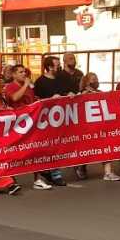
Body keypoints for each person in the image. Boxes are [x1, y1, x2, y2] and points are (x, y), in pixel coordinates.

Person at [32, 56, 70, 187]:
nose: (58, 67)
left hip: (60, 119)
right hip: (46, 120)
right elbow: (36, 101)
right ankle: (47, 172)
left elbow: (65, 92)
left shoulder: (60, 79)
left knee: (57, 147)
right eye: (56, 65)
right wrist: (50, 99)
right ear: (49, 67)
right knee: (46, 147)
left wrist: (69, 94)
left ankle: (55, 173)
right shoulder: (40, 82)